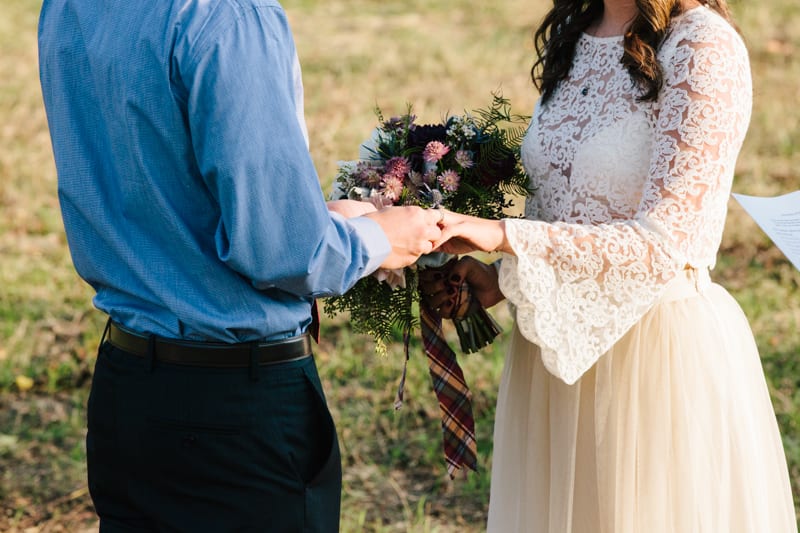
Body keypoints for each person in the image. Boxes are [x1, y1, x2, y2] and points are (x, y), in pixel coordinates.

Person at [37, 0, 443, 531]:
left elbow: (158, 186)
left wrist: (318, 223)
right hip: (231, 408)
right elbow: (284, 253)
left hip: (125, 387)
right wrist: (376, 238)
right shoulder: (226, 16)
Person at [421, 0, 798, 531]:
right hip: (552, 367)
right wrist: (500, 279)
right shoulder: (576, 31)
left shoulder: (702, 47)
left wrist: (505, 236)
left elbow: (665, 243)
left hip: (656, 361)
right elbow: (564, 204)